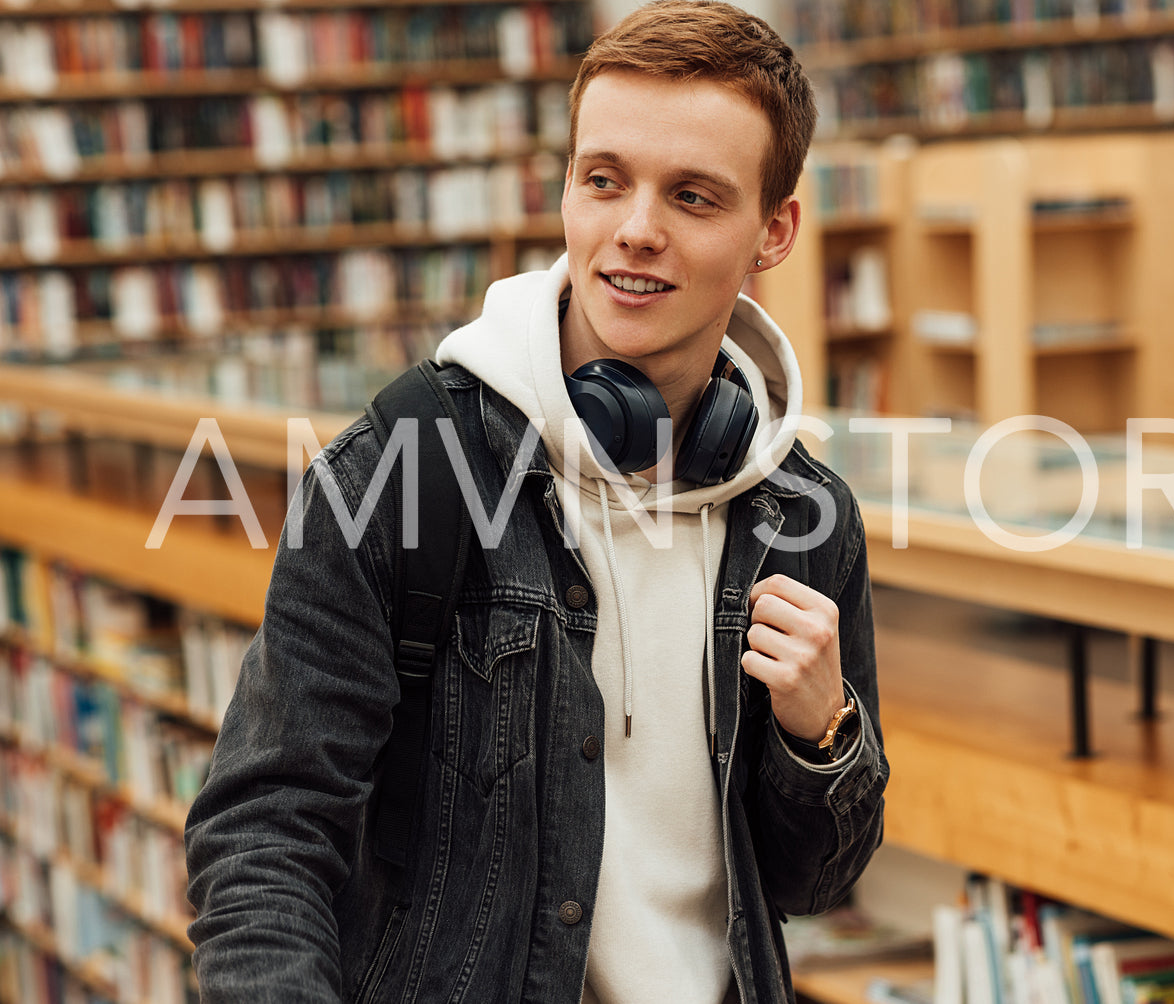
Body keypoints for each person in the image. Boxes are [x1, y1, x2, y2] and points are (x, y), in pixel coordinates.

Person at [183, 2, 888, 1001]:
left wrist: (820, 732)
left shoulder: (802, 514)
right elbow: (263, 830)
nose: (633, 230)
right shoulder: (404, 468)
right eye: (603, 180)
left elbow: (815, 880)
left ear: (773, 230)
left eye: (691, 196)